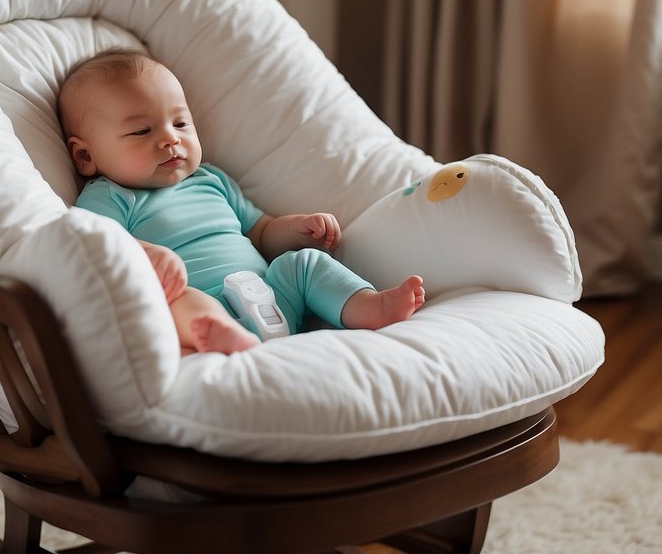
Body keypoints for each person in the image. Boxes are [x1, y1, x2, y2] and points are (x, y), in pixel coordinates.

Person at [58, 48, 425, 355]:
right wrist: (144, 252)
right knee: (178, 303)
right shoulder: (110, 197)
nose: (170, 139)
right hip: (201, 301)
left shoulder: (211, 179)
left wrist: (297, 229)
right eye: (142, 131)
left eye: (181, 124)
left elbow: (261, 231)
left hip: (271, 291)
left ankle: (370, 306)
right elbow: (94, 245)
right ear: (85, 156)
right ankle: (222, 337)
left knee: (304, 264)